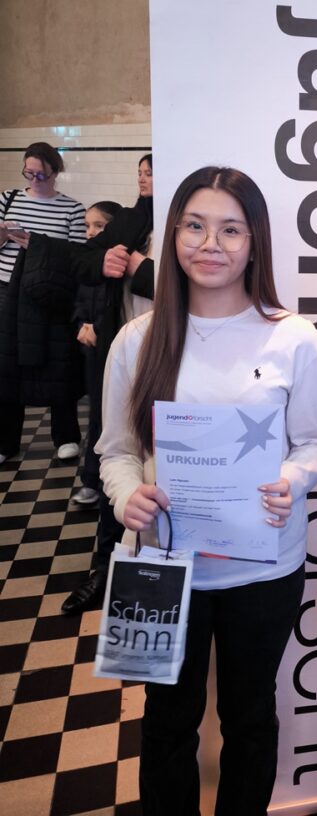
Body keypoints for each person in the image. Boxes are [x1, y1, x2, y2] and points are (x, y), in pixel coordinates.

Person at [96, 165, 317, 816]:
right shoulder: (137, 341)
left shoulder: (293, 338)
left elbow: (315, 443)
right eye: (194, 226)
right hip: (164, 568)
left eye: (231, 230)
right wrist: (126, 495)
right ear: (173, 235)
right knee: (167, 723)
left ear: (255, 243)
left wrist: (291, 481)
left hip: (264, 568)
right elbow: (116, 451)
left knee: (250, 718)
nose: (210, 244)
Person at [62, 154, 154, 613]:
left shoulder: (198, 222)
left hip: (179, 363)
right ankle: (105, 569)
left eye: (151, 171)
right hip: (123, 358)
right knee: (113, 456)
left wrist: (142, 269)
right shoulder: (136, 218)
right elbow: (79, 260)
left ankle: (151, 573)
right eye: (141, 171)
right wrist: (106, 261)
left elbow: (203, 285)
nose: (144, 178)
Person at [0, 142, 86, 463]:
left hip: (49, 295)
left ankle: (66, 436)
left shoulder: (72, 209)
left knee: (59, 364)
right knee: (6, 367)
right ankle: (5, 442)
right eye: (29, 173)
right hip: (6, 291)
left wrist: (37, 245)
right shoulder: (7, 199)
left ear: (55, 172)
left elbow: (77, 258)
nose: (35, 180)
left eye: (41, 175)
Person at [70, 200, 124, 506]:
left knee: (113, 414)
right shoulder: (91, 262)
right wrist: (82, 324)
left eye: (99, 226)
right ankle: (92, 478)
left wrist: (99, 328)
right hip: (90, 346)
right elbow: (79, 298)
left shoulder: (120, 264)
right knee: (96, 414)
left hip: (112, 346)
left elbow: (118, 308)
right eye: (87, 226)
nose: (90, 232)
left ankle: (110, 481)